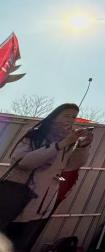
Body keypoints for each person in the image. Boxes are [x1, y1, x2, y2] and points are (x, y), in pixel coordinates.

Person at [2, 103, 92, 252]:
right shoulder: (35, 135)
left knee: (21, 245)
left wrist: (83, 146)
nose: (70, 120)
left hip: (42, 206)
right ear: (54, 116)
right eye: (66, 115)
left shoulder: (68, 141)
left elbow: (72, 165)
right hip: (17, 199)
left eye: (73, 117)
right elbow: (22, 162)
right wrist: (59, 145)